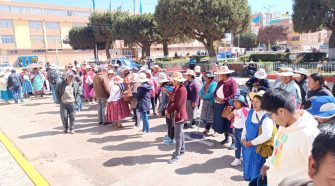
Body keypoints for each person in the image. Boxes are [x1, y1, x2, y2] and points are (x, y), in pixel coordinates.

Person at [260, 88, 320, 186]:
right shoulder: (284, 125)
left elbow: (321, 175)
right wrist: (269, 163)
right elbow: (278, 149)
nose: (271, 119)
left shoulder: (310, 136)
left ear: (281, 111)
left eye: (270, 115)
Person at [241, 90, 274, 181]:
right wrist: (243, 138)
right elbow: (245, 125)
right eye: (253, 101)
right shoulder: (251, 112)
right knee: (247, 167)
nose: (254, 104)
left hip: (258, 149)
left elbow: (267, 135)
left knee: (256, 171)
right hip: (247, 147)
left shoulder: (267, 117)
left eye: (257, 102)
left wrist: (252, 143)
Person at [212, 66, 238, 145]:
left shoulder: (232, 82)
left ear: (225, 74)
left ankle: (234, 141)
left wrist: (224, 100)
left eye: (221, 74)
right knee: (222, 122)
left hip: (227, 106)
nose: (219, 76)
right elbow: (215, 92)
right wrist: (215, 97)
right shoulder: (220, 82)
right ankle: (226, 138)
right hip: (219, 105)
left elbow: (234, 95)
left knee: (229, 122)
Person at [166, 72, 188, 164]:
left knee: (178, 136)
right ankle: (182, 150)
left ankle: (177, 155)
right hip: (177, 114)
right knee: (180, 134)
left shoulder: (182, 89)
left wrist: (169, 110)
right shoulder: (177, 88)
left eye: (174, 80)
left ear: (178, 81)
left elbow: (178, 105)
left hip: (180, 115)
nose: (173, 81)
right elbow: (172, 100)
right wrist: (168, 109)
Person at [228, 95, 249, 167]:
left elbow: (250, 117)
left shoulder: (245, 109)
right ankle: (237, 158)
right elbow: (229, 117)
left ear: (242, 103)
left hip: (243, 130)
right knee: (237, 145)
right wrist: (230, 114)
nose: (235, 103)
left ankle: (245, 158)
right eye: (234, 102)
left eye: (237, 102)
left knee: (244, 145)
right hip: (235, 129)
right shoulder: (234, 110)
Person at [157, 73, 174, 145]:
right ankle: (170, 136)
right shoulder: (169, 86)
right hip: (170, 107)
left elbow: (163, 101)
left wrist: (160, 110)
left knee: (170, 123)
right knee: (170, 123)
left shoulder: (164, 88)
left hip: (168, 108)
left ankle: (171, 138)